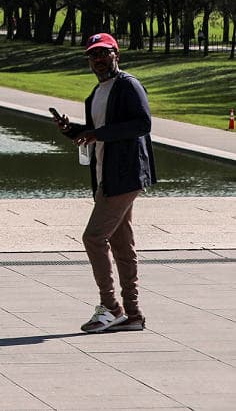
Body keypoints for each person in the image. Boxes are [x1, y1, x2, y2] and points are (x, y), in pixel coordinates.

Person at [55, 32, 156, 333]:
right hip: (107, 175)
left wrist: (98, 133)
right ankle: (133, 314)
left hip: (125, 176)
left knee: (94, 237)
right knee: (121, 244)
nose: (98, 59)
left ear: (116, 55)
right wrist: (71, 130)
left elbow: (142, 124)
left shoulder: (128, 85)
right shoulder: (96, 94)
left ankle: (111, 308)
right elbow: (97, 132)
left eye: (104, 53)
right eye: (93, 55)